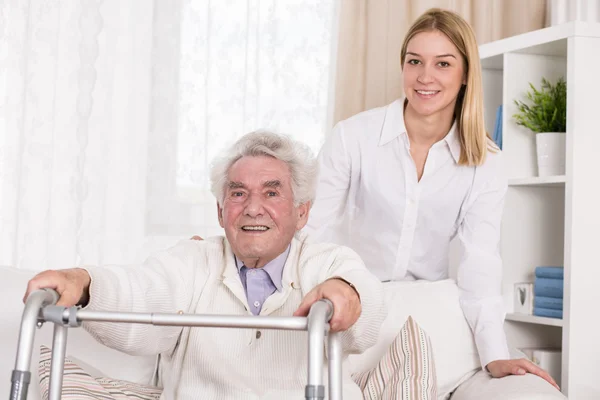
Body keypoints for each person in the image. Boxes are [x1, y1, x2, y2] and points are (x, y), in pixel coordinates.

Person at [303, 8, 559, 390]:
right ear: (403, 66)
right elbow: (309, 229)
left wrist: (495, 352)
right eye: (414, 62)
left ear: (466, 74)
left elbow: (481, 263)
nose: (425, 77)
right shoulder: (353, 138)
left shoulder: (486, 162)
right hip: (353, 307)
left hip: (429, 315)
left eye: (443, 63)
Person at [24, 131, 386, 399]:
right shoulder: (194, 261)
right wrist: (86, 285)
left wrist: (347, 296)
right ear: (220, 210)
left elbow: (366, 307)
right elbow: (144, 292)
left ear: (302, 211)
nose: (253, 207)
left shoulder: (326, 261)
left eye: (272, 192)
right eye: (238, 193)